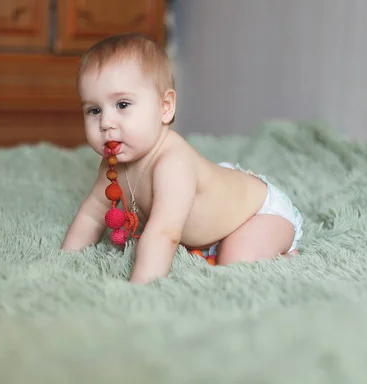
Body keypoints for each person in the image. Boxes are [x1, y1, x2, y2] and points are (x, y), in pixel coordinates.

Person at [61, 33, 303, 284]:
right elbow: (92, 215)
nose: (106, 123)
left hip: (256, 214)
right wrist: (64, 264)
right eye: (94, 110)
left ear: (165, 107)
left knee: (235, 263)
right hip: (214, 200)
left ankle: (283, 257)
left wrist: (139, 290)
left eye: (122, 105)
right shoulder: (111, 166)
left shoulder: (172, 163)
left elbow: (163, 234)